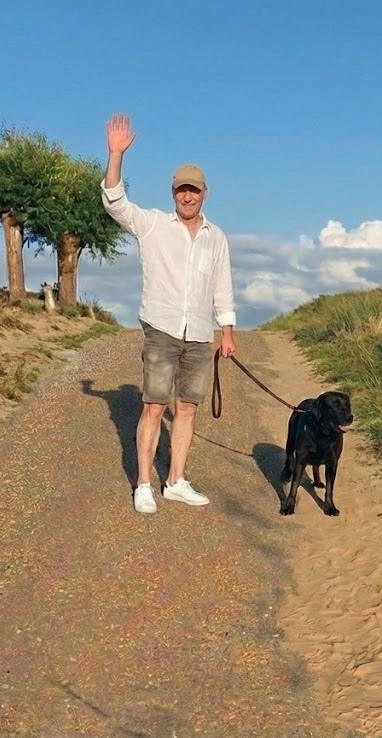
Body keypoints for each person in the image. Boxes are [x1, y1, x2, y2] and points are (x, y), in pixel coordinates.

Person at [101, 112, 237, 514]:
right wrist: (116, 154)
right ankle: (144, 484)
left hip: (200, 334)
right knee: (154, 407)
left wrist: (227, 331)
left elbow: (223, 284)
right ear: (173, 193)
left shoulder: (217, 237)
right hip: (161, 329)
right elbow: (114, 201)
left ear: (205, 193)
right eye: (181, 190)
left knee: (188, 408)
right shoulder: (153, 225)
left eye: (193, 190)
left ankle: (175, 480)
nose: (187, 197)